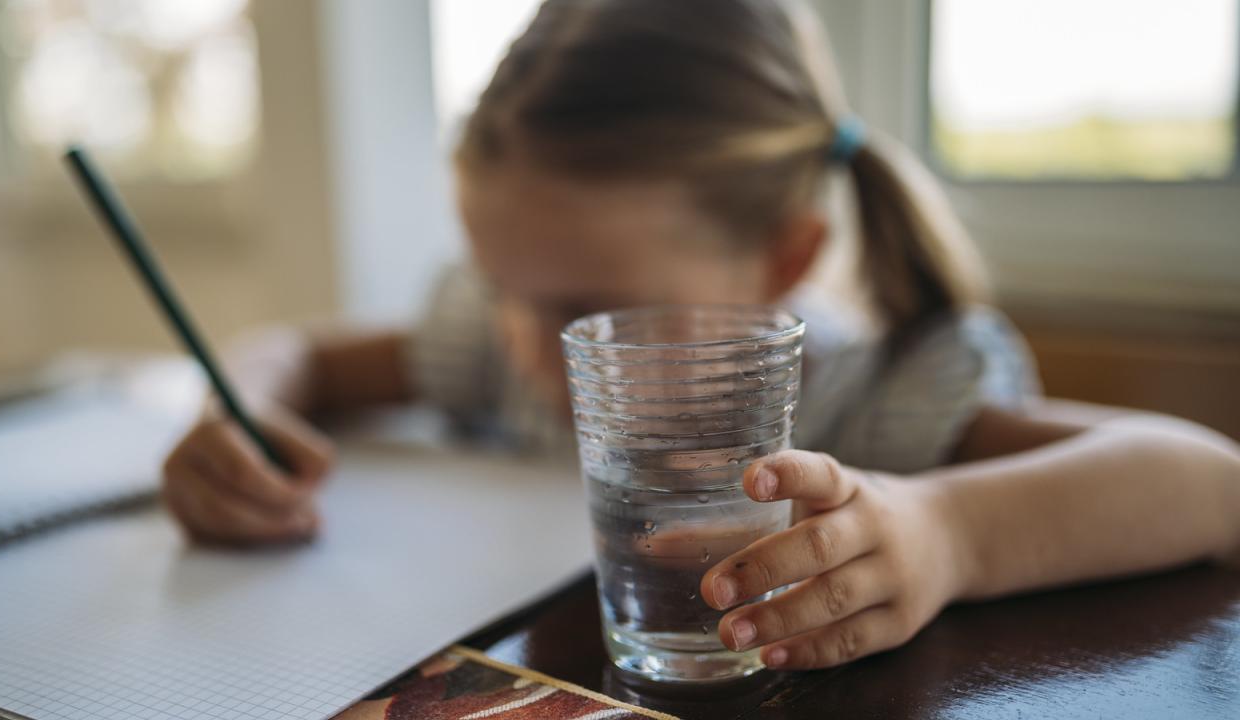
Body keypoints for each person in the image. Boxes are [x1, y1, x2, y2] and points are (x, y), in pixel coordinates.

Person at [161, 0, 1240, 671]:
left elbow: (1207, 483)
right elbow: (291, 350)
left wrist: (945, 533)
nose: (536, 346)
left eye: (586, 303)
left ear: (780, 260)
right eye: (501, 287)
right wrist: (237, 411)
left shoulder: (879, 393)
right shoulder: (504, 348)